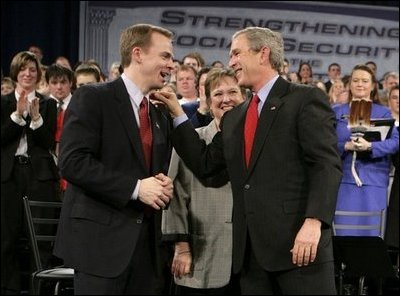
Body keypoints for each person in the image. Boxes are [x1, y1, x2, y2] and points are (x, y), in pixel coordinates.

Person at [153, 26, 342, 295]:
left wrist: (314, 222)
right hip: (250, 258)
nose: (231, 62)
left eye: (237, 53)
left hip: (299, 249)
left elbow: (325, 165)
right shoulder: (235, 118)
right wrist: (177, 115)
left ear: (263, 53)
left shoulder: (304, 99)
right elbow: (206, 164)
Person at [53, 24, 176, 295]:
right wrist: (136, 188)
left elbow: (151, 172)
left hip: (148, 251)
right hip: (100, 247)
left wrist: (162, 182)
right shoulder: (94, 97)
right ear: (138, 54)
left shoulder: (157, 113)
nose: (172, 64)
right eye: (165, 56)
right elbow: (72, 162)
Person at [162, 68, 245, 295]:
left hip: (248, 261)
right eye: (218, 94)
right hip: (203, 254)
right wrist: (181, 247)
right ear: (207, 102)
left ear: (244, 99)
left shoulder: (256, 143)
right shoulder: (191, 140)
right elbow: (175, 196)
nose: (226, 99)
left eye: (233, 92)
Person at [1, 51, 58, 294]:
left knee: (40, 236)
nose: (28, 73)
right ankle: (9, 288)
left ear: (38, 74)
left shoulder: (48, 103)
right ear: (15, 73)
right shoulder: (3, 103)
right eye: (23, 69)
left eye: (32, 70)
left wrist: (36, 119)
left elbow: (46, 143)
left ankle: (41, 288)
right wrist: (17, 116)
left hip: (39, 177)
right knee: (7, 238)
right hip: (8, 176)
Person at [332, 65, 399, 237]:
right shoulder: (336, 112)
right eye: (355, 80)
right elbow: (324, 143)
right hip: (343, 182)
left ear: (373, 85)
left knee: (370, 239)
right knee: (342, 237)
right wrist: (345, 146)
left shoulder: (384, 113)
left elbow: (395, 142)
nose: (360, 84)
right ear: (349, 84)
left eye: (364, 81)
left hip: (373, 183)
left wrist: (370, 147)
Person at [45, 64, 74, 199]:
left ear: (71, 83)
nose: (59, 87)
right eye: (54, 82)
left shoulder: (80, 104)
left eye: (63, 82)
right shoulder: (40, 105)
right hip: (48, 171)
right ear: (47, 84)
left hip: (73, 167)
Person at [384, 84, 399, 249]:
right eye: (395, 97)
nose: (398, 101)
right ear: (388, 101)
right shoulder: (384, 123)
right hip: (381, 178)